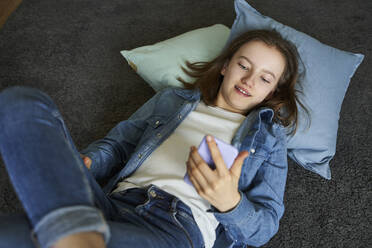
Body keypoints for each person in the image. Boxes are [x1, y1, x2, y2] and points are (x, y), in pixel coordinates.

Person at [0, 29, 309, 248]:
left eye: (265, 78)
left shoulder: (269, 138)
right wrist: (89, 161)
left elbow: (265, 227)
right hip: (113, 202)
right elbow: (120, 144)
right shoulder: (172, 100)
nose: (249, 80)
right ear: (226, 66)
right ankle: (77, 234)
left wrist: (230, 202)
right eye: (243, 65)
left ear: (273, 92)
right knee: (21, 101)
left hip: (176, 226)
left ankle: (74, 234)